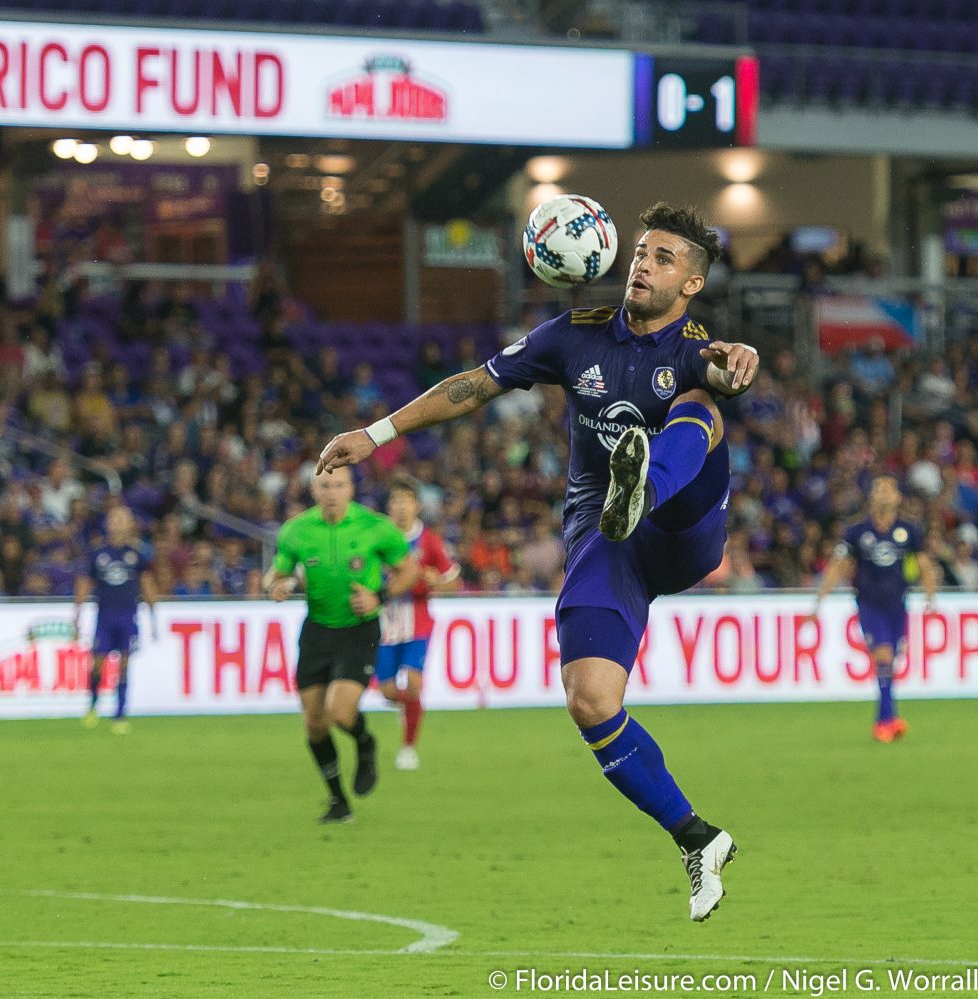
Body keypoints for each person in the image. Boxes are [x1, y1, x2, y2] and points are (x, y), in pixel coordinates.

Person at [317, 201, 760, 921]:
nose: (644, 264)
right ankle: (697, 837)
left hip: (680, 527)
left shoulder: (697, 348)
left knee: (702, 407)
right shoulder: (571, 337)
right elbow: (472, 385)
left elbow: (732, 368)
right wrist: (378, 431)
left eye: (664, 258)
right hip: (603, 533)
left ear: (691, 286)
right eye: (642, 251)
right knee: (590, 700)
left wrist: (742, 363)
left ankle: (642, 483)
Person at [263, 467, 419, 824]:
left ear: (350, 489)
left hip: (358, 630)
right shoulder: (297, 530)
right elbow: (277, 572)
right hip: (317, 631)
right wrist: (277, 584)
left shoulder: (375, 526)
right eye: (324, 486)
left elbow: (409, 570)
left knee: (340, 712)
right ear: (314, 490)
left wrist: (379, 596)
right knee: (314, 724)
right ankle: (338, 802)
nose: (331, 492)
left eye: (338, 485)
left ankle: (365, 744)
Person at [810, 474, 937, 742]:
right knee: (883, 656)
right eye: (878, 488)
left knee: (890, 662)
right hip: (869, 605)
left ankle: (887, 718)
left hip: (897, 605)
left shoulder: (909, 530)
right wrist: (819, 599)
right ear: (871, 496)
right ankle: (884, 722)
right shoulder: (856, 531)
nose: (882, 493)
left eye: (887, 489)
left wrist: (931, 597)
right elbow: (839, 566)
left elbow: (924, 564)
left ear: (897, 497)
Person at [378, 475, 460, 771]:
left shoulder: (429, 540)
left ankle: (408, 748)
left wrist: (434, 581)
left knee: (413, 685)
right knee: (388, 692)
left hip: (418, 622)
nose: (400, 507)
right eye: (395, 501)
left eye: (406, 501)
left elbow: (452, 581)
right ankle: (411, 710)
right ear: (389, 507)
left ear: (416, 506)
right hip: (384, 624)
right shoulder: (379, 537)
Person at [74, 506, 157, 735]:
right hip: (105, 616)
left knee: (124, 666)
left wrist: (153, 611)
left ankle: (120, 715)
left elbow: (147, 583)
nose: (119, 523)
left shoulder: (138, 554)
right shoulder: (98, 553)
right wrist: (78, 610)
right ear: (108, 524)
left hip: (128, 616)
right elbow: (84, 582)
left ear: (130, 524)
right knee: (98, 664)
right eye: (115, 519)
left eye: (123, 519)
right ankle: (92, 704)